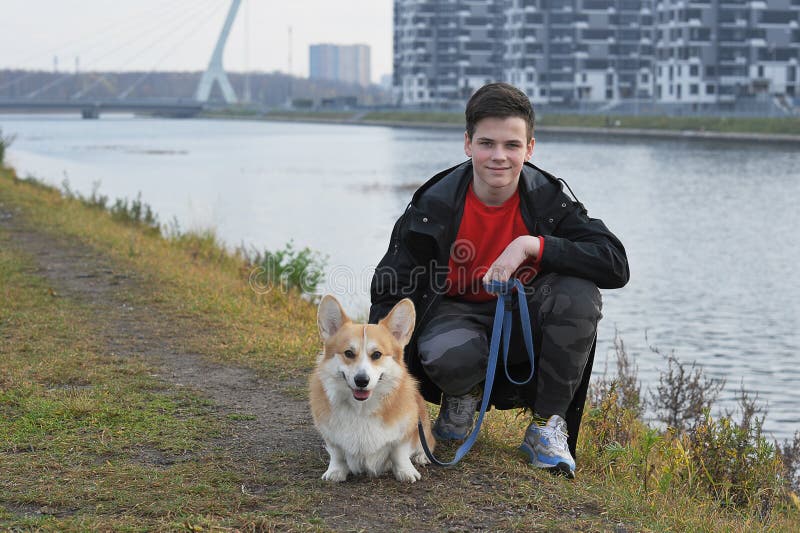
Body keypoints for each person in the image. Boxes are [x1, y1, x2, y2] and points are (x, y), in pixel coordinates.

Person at [368, 82, 629, 479]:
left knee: (580, 295)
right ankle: (462, 395)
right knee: (445, 352)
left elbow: (615, 264)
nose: (499, 156)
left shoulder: (549, 200)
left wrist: (533, 246)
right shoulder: (432, 204)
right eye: (487, 143)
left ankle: (545, 428)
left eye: (512, 145)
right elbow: (390, 289)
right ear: (468, 144)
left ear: (530, 148)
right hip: (454, 319)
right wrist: (375, 395)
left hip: (525, 325)